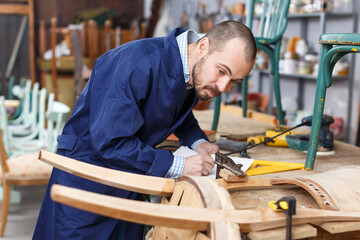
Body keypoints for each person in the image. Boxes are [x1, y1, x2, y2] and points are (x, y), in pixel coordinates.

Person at [33, 20, 256, 239]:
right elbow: (111, 142)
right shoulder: (137, 64)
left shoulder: (189, 69)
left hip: (129, 180)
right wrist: (178, 165)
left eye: (234, 81)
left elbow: (174, 111)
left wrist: (198, 142)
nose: (222, 87)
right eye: (221, 71)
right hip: (88, 180)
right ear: (203, 46)